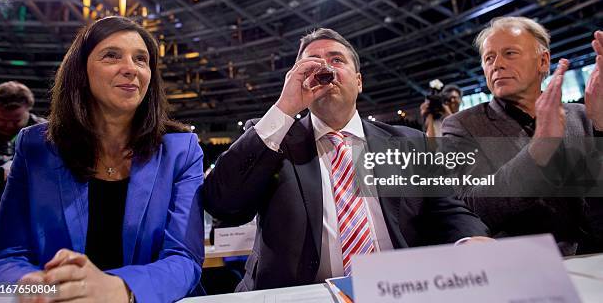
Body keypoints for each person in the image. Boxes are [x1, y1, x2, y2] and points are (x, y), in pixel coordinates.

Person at [204, 28, 488, 291]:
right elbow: (223, 204)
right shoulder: (274, 138)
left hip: (394, 290)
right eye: (312, 62)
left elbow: (448, 211)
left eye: (336, 60)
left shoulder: (407, 142)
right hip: (296, 296)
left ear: (359, 81)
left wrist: (469, 240)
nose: (324, 68)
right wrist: (285, 107)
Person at [0, 16, 205, 302]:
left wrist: (120, 289)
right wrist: (35, 286)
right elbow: (5, 257)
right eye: (112, 55)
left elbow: (184, 259)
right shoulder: (35, 146)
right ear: (80, 71)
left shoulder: (181, 150)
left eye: (141, 59)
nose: (131, 68)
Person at [442, 16, 603, 254]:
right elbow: (471, 207)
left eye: (510, 53)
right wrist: (538, 152)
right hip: (528, 268)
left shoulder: (584, 116)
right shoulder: (462, 126)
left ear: (543, 61)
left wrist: (601, 127)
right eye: (489, 58)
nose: (497, 64)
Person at [0, 81, 45, 227]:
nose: (8, 126)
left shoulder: (47, 135)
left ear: (29, 109)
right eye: (1, 119)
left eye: (16, 121)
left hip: (28, 212)